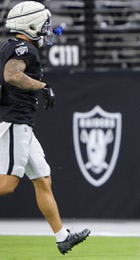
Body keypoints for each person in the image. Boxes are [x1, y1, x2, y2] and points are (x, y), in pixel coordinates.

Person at [0, 1, 90, 255]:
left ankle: (62, 237)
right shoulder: (25, 49)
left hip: (22, 123)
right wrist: (43, 87)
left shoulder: (9, 46)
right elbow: (11, 75)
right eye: (44, 24)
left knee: (43, 179)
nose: (47, 29)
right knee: (6, 185)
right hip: (15, 121)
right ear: (31, 24)